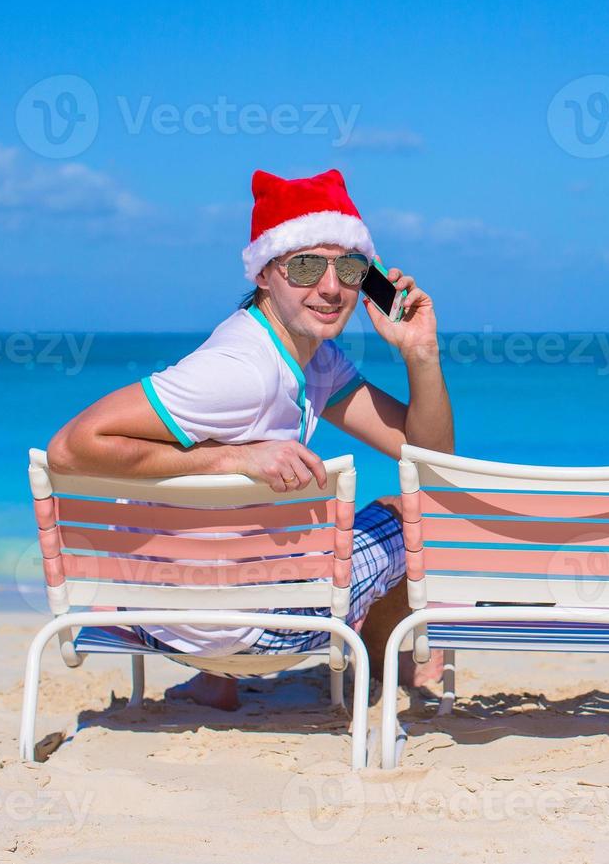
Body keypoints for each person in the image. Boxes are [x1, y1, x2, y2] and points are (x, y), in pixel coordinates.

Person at [48, 168, 453, 711]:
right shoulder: (241, 371)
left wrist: (420, 354)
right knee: (413, 514)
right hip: (241, 630)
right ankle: (397, 672)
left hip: (150, 616)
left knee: (254, 530)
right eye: (306, 266)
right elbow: (70, 448)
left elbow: (425, 453)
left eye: (350, 268)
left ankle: (218, 682)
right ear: (266, 273)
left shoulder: (313, 359)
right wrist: (235, 458)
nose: (331, 288)